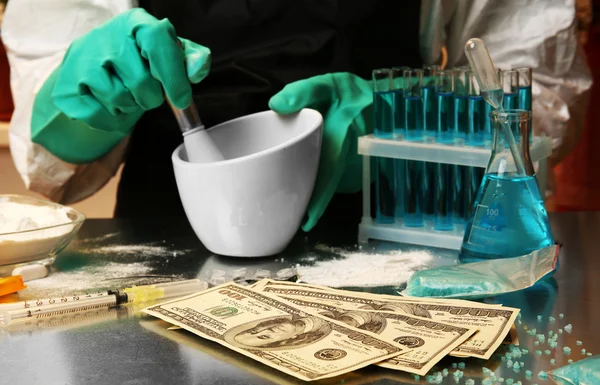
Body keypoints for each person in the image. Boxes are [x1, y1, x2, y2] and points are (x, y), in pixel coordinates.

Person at [2, 0, 592, 233]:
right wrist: (80, 103)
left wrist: (410, 122)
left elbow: (538, 95)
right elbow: (50, 152)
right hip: (166, 252)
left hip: (397, 240)